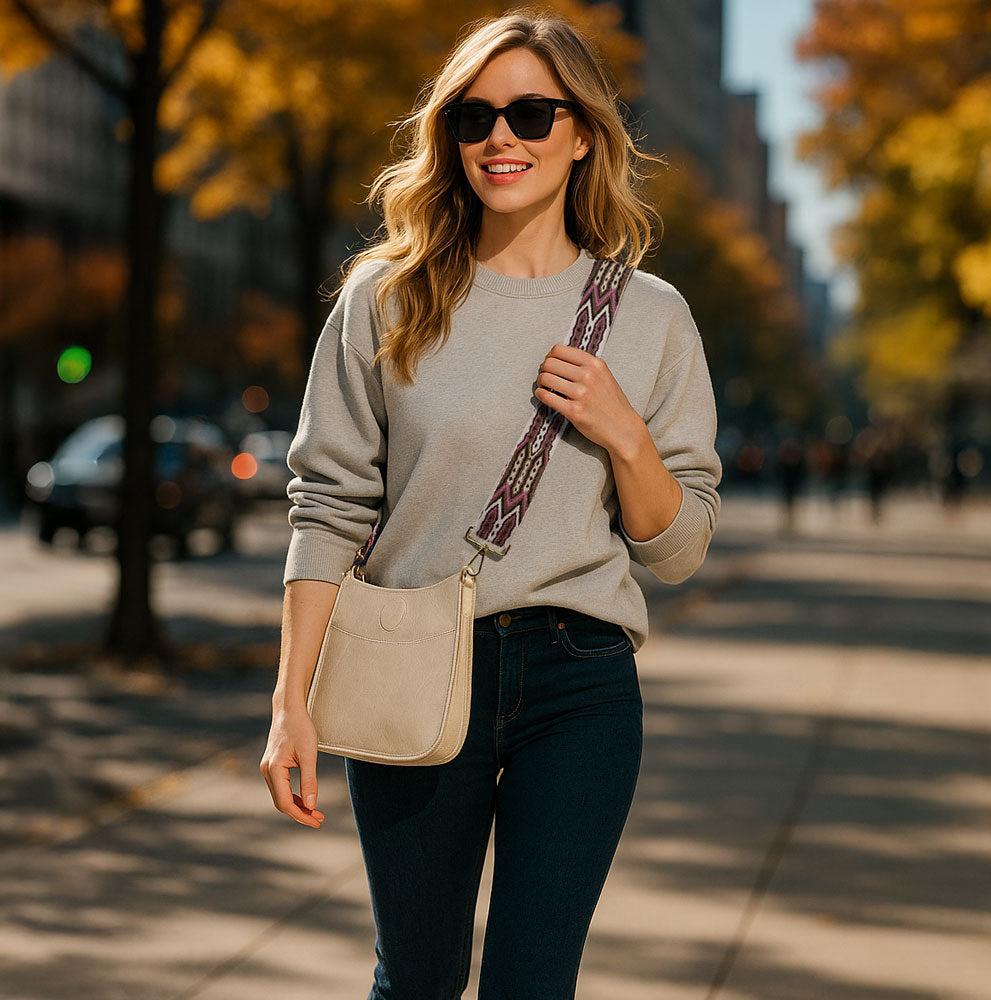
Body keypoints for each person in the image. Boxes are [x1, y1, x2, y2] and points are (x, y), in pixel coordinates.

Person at [260, 9, 723, 998]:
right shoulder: (385, 298)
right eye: (474, 117)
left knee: (530, 982)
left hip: (580, 682)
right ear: (449, 136)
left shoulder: (650, 317)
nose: (500, 137)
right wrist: (290, 698)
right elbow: (328, 506)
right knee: (418, 977)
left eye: (530, 112)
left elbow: (678, 551)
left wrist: (622, 432)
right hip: (414, 662)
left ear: (583, 133)